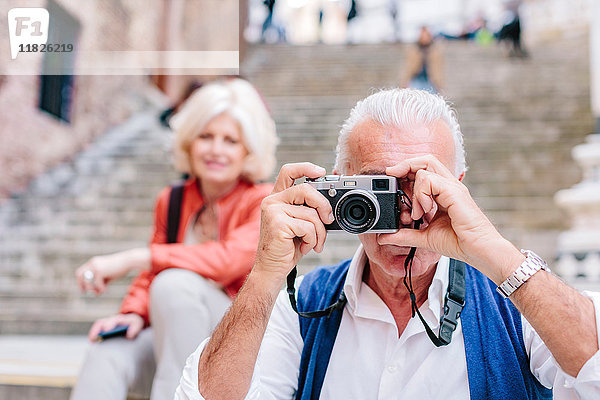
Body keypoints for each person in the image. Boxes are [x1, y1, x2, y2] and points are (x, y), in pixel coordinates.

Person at [176, 88, 600, 399]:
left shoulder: (515, 306)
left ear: (460, 190)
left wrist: (493, 250)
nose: (403, 211)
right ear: (339, 190)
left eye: (422, 187)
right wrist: (268, 272)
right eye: (377, 188)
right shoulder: (304, 305)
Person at [70, 78, 278, 400]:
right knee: (109, 348)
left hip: (234, 338)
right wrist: (133, 313)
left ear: (248, 150)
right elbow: (152, 272)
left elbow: (226, 262)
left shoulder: (262, 201)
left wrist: (133, 258)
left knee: (174, 283)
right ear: (189, 142)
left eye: (230, 141)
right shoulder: (173, 199)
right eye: (206, 137)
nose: (215, 150)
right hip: (175, 329)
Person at [401, 26, 444, 94]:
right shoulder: (414, 50)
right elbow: (408, 67)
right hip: (416, 79)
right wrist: (405, 82)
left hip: (430, 80)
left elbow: (438, 68)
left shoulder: (434, 51)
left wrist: (439, 84)